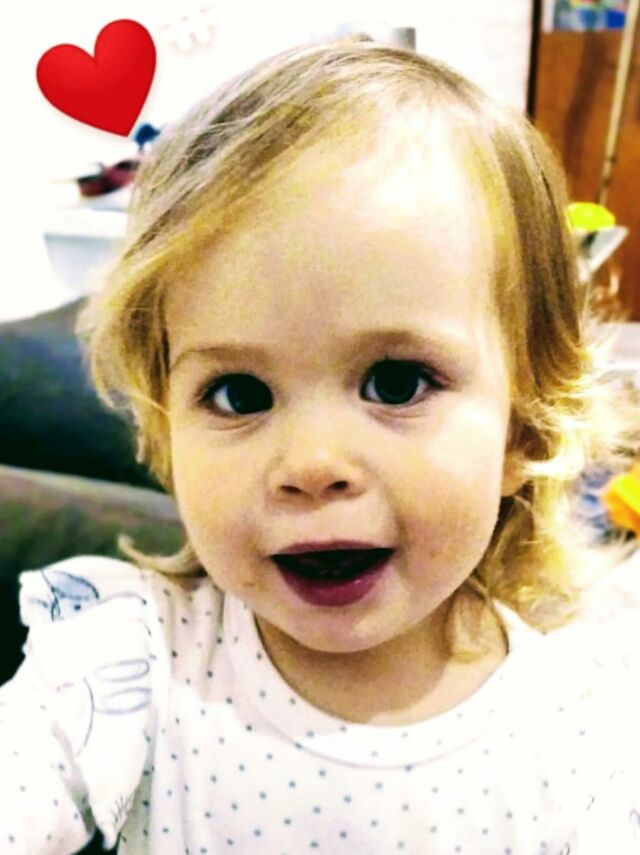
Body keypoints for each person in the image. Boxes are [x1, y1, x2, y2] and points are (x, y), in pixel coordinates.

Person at [2, 36, 639, 855]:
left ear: (525, 424)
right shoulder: (121, 667)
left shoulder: (582, 745)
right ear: (165, 428)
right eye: (238, 394)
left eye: (397, 383)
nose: (310, 464)